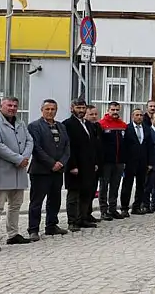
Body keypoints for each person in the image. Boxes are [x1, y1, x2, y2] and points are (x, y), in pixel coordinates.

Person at [0, 97, 34, 252]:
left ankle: (13, 234)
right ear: (1, 106)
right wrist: (18, 159)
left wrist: (25, 157)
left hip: (19, 170)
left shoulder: (20, 123)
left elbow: (29, 141)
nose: (12, 108)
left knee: (16, 205)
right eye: (9, 105)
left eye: (15, 106)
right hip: (2, 170)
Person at [26, 99, 70, 241]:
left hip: (58, 171)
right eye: (47, 109)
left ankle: (51, 225)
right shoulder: (34, 126)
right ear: (42, 110)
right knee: (36, 201)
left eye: (53, 109)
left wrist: (61, 163)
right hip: (41, 170)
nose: (50, 112)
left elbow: (67, 147)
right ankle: (33, 229)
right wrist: (51, 163)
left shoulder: (61, 126)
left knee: (55, 200)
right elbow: (36, 148)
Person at [62, 98, 100, 231]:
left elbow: (93, 145)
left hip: (88, 165)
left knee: (86, 193)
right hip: (75, 166)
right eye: (78, 108)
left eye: (83, 108)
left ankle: (83, 218)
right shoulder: (67, 124)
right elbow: (68, 146)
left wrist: (95, 162)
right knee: (74, 195)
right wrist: (72, 165)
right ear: (72, 108)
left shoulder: (88, 124)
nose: (81, 110)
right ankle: (72, 221)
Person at [98, 102, 127, 221]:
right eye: (113, 109)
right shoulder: (101, 124)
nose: (115, 112)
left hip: (119, 162)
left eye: (117, 110)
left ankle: (113, 209)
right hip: (106, 162)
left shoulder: (123, 125)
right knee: (104, 186)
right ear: (108, 110)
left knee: (115, 186)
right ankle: (103, 210)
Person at [120, 108, 151, 216]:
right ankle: (124, 208)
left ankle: (136, 207)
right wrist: (123, 161)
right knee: (127, 185)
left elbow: (149, 146)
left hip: (143, 162)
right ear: (132, 116)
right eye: (137, 115)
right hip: (130, 162)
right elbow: (123, 146)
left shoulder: (147, 129)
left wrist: (149, 162)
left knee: (141, 185)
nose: (139, 117)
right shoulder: (127, 128)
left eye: (141, 115)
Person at [84, 104, 104, 223]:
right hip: (87, 164)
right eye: (91, 114)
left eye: (96, 114)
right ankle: (83, 214)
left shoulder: (98, 126)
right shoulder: (85, 127)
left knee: (92, 191)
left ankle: (88, 213)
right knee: (86, 191)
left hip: (97, 163)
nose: (94, 116)